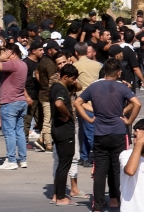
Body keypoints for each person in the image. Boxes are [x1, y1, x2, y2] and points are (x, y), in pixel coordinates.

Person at [74, 58, 142, 211]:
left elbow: (77, 102)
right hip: (118, 132)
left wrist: (89, 119)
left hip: (100, 132)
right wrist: (129, 120)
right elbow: (137, 103)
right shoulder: (121, 87)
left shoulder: (94, 86)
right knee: (117, 168)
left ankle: (97, 205)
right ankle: (115, 199)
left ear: (104, 71)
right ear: (118, 73)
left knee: (100, 170)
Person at [0, 42, 29, 170]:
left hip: (10, 102)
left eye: (7, 53)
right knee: (19, 131)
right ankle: (22, 159)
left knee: (9, 132)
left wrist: (0, 58)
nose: (5, 56)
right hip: (20, 101)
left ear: (12, 54)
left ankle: (11, 160)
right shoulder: (23, 64)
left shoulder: (13, 64)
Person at [51, 64, 80, 205]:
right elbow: (58, 103)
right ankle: (61, 197)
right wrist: (68, 114)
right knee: (64, 164)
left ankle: (57, 194)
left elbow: (78, 87)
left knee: (61, 164)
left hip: (57, 129)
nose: (74, 81)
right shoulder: (61, 89)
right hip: (64, 131)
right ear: (65, 77)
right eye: (73, 79)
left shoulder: (56, 87)